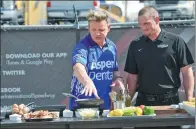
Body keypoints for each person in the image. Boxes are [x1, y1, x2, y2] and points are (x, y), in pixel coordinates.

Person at [124, 6, 194, 129]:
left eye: (146, 23)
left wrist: (189, 101)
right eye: (140, 24)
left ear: (157, 19)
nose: (143, 27)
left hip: (170, 103)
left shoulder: (176, 41)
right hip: (143, 104)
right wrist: (127, 102)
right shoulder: (135, 45)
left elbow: (187, 72)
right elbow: (132, 77)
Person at [70, 9, 124, 110]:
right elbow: (77, 67)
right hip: (83, 106)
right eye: (93, 30)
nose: (97, 33)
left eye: (101, 30)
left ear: (108, 28)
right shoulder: (82, 46)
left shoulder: (112, 47)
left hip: (105, 105)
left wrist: (118, 79)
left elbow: (115, 70)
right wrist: (87, 82)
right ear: (88, 29)